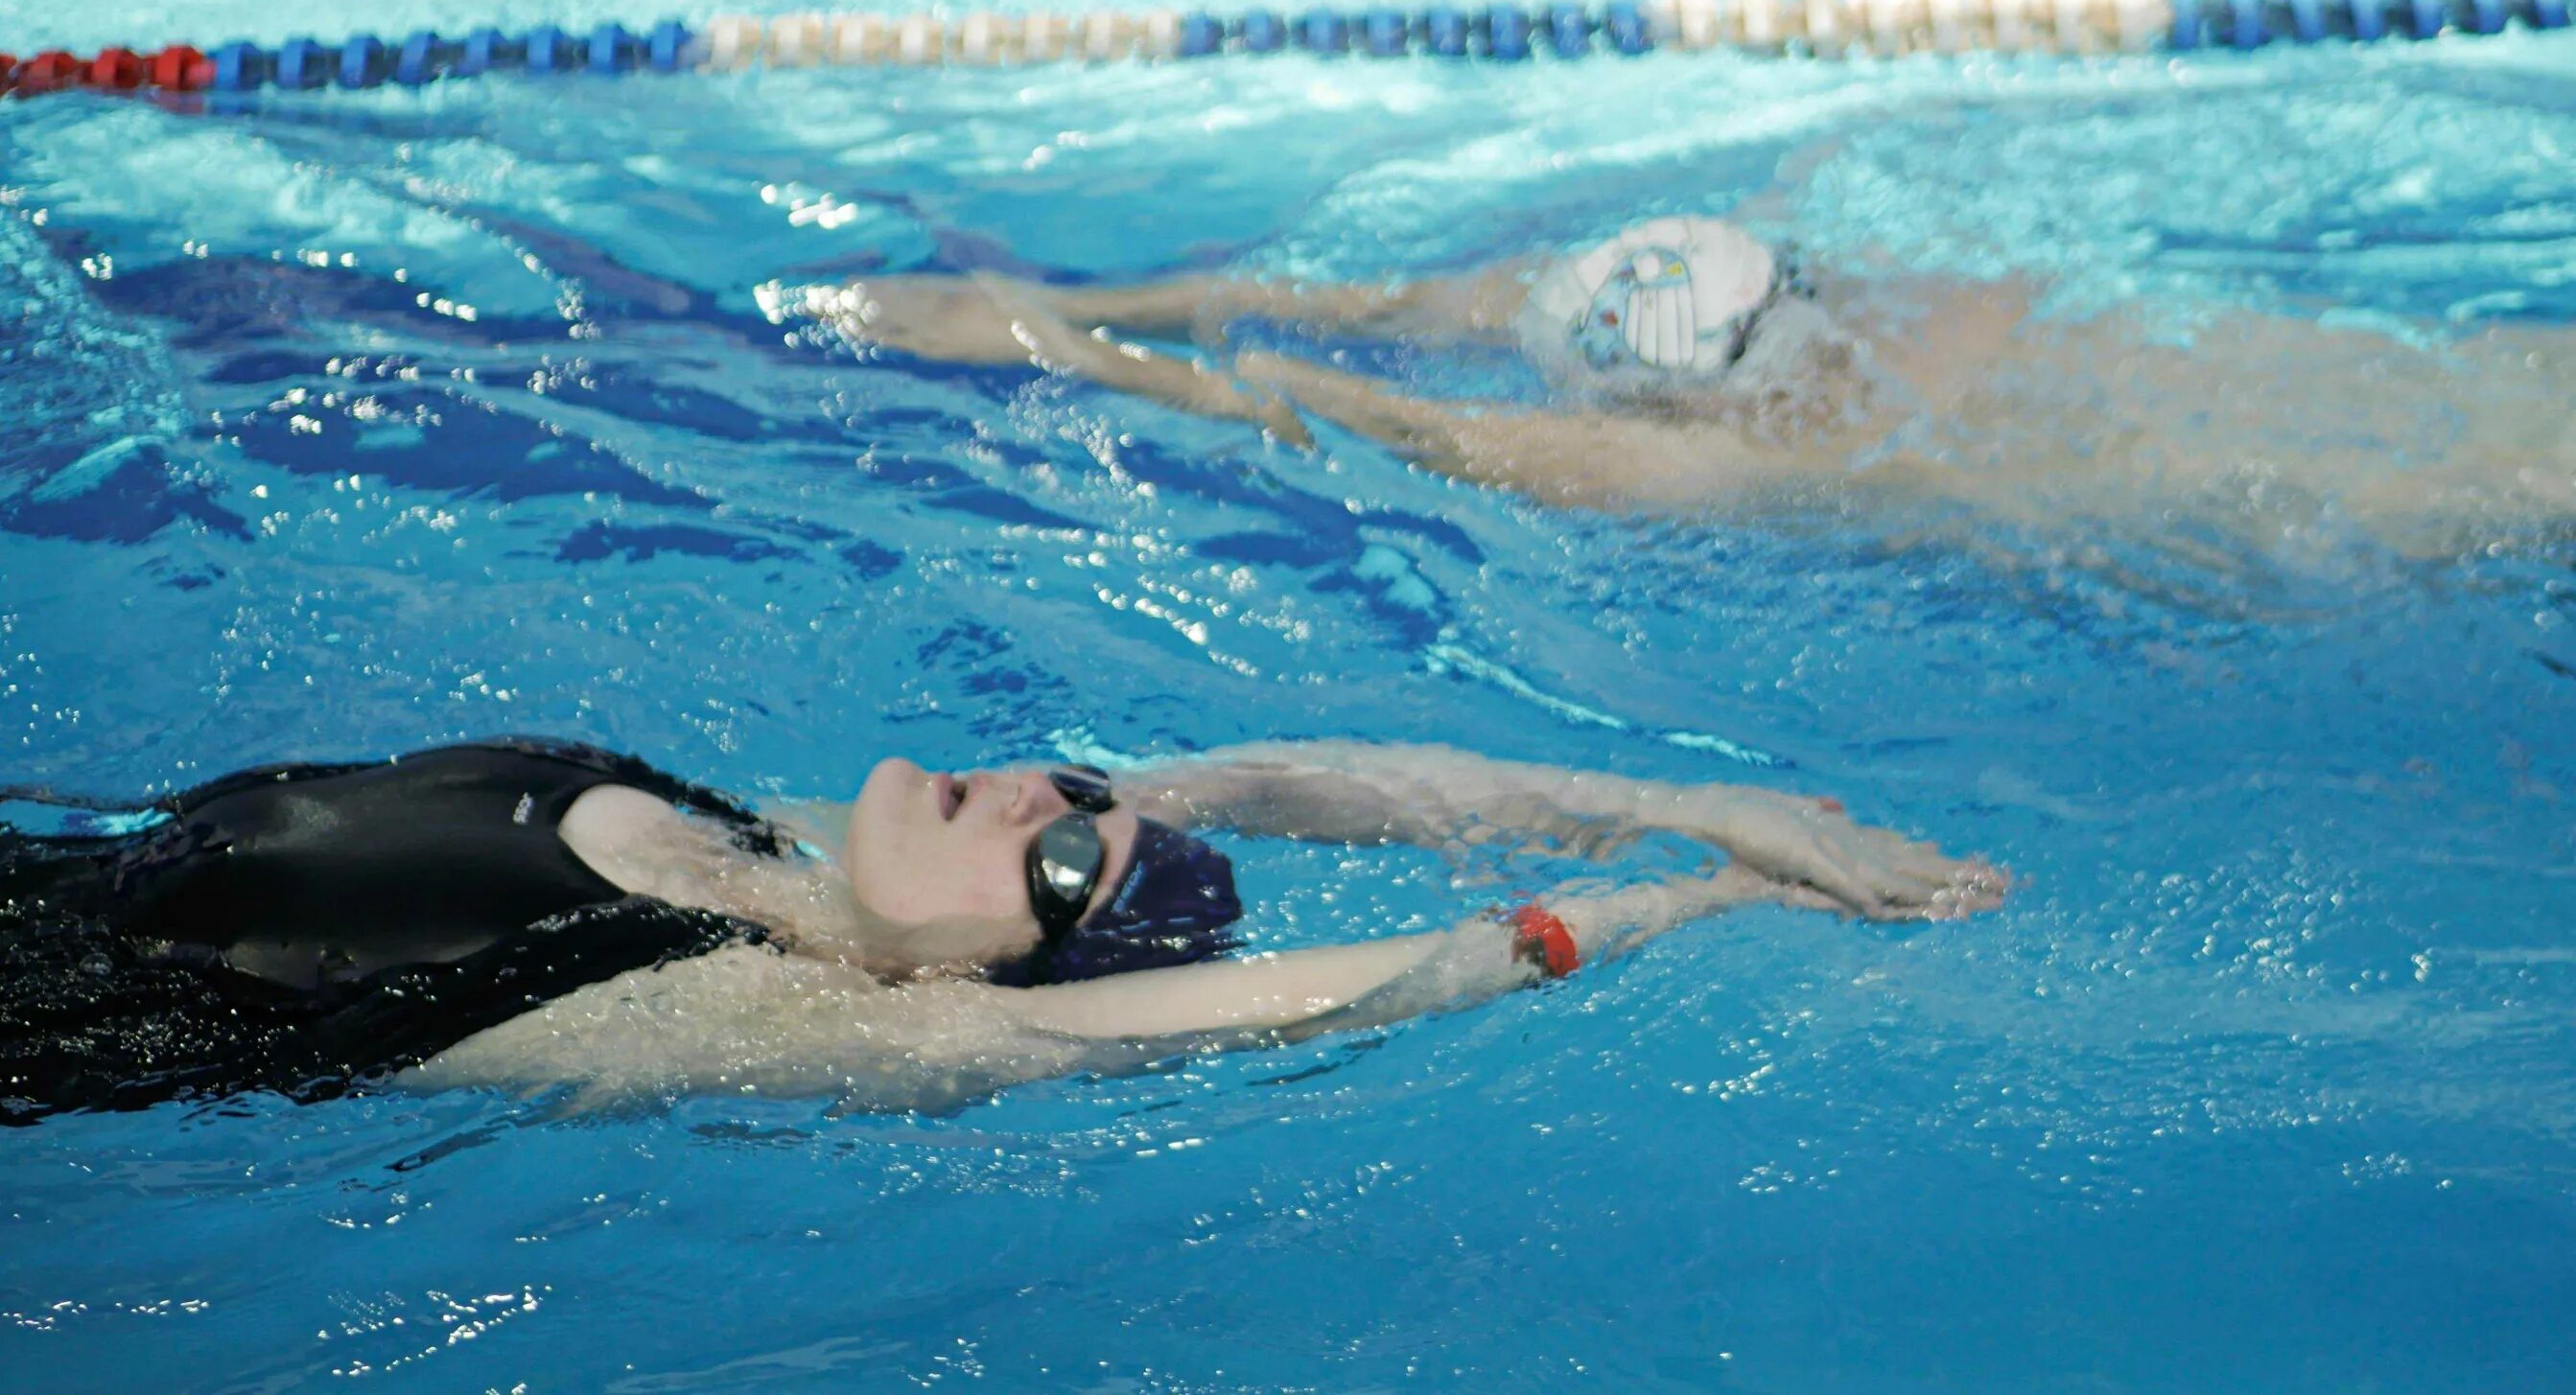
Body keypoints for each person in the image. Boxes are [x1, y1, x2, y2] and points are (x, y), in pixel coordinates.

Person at [0, 734, 2004, 1122]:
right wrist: (1680, 786)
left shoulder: (761, 1011)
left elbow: (1344, 981)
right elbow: (1265, 780)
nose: (1054, 802)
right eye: (1073, 783)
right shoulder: (767, 839)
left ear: (999, 971)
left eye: (1065, 864)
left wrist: (1687, 895)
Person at [801, 216, 2576, 576]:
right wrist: (1076, 298)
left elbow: (1325, 392)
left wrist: (1055, 330)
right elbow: (1378, 310)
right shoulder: (1916, 295)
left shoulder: (1728, 473)